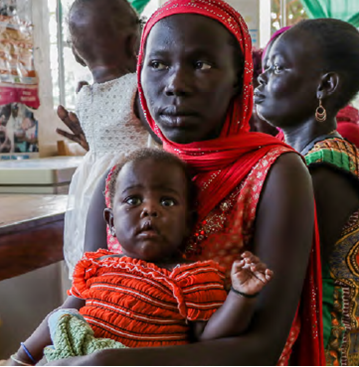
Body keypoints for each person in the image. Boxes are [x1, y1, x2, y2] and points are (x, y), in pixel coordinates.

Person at [81, 0, 322, 366]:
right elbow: (83, 298)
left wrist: (109, 363)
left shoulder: (274, 174)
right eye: (158, 63)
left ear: (238, 79)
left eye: (202, 64)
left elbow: (264, 345)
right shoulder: (120, 178)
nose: (176, 84)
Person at [10, 149, 274, 365]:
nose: (149, 210)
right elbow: (64, 315)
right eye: (133, 200)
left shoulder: (193, 276)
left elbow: (209, 337)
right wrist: (21, 359)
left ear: (187, 223)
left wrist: (242, 296)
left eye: (167, 202)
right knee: (61, 318)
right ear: (111, 222)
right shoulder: (97, 266)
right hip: (75, 357)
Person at [256, 18, 359, 367]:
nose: (261, 78)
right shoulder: (290, 153)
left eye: (277, 67)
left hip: (321, 350)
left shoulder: (329, 166)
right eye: (264, 67)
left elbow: (278, 272)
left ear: (325, 85)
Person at [60, 0, 155, 277]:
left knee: (99, 258)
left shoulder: (84, 95)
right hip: (132, 182)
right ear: (135, 41)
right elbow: (161, 141)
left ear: (77, 53)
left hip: (92, 185)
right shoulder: (137, 88)